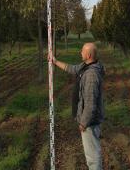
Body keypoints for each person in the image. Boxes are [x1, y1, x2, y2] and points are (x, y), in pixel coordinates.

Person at [51, 42, 105, 170]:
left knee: (93, 155)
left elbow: (91, 103)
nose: (80, 52)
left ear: (89, 54)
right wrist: (55, 61)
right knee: (91, 153)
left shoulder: (91, 74)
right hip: (87, 121)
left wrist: (84, 122)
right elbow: (72, 69)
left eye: (82, 51)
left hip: (90, 123)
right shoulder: (85, 66)